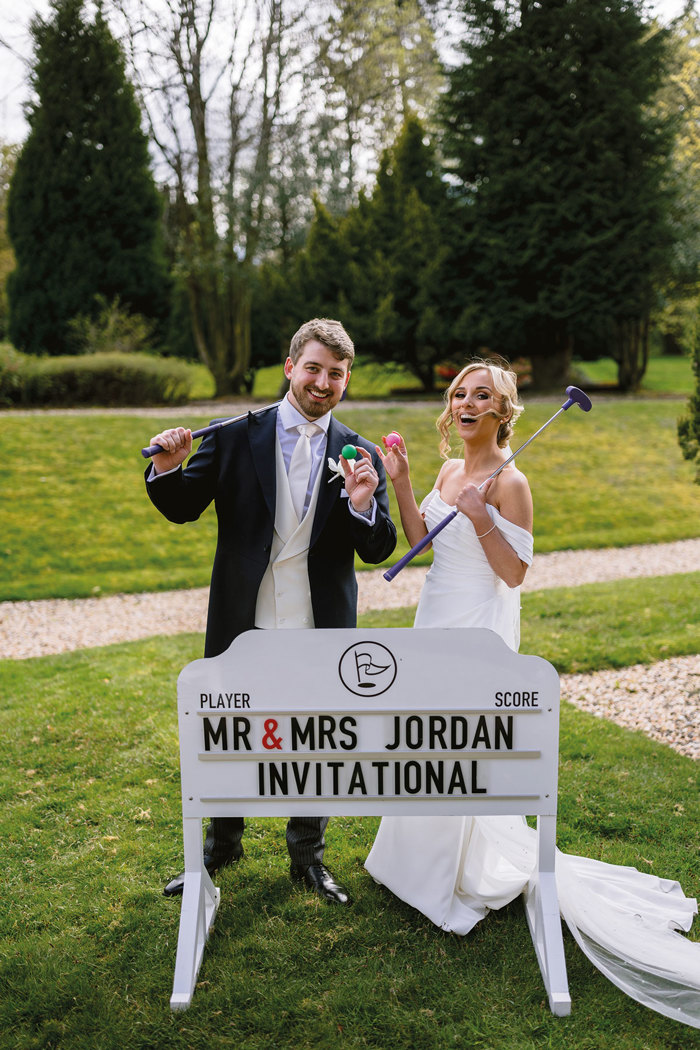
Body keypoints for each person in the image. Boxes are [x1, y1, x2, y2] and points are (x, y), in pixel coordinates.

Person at [366, 360, 700, 1028]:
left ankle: (449, 880)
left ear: (503, 410)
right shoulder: (445, 470)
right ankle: (408, 866)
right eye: (459, 392)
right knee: (421, 737)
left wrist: (482, 514)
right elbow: (419, 543)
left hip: (479, 627)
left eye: (481, 394)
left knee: (456, 744)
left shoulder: (512, 482)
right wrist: (403, 485)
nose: (466, 402)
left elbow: (514, 575)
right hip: (435, 614)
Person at [146, 318, 397, 904]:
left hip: (320, 622)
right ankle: (223, 843)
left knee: (318, 738)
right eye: (313, 368)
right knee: (230, 728)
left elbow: (379, 547)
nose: (322, 382)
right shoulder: (237, 434)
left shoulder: (358, 454)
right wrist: (166, 466)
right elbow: (183, 506)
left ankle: (307, 855)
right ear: (290, 368)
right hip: (243, 616)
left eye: (335, 374)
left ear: (346, 380)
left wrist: (362, 504)